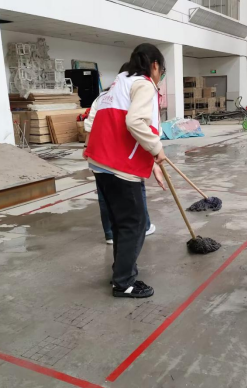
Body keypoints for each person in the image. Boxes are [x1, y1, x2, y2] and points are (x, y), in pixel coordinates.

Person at [84, 44, 167, 299]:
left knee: (122, 223)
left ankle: (121, 272)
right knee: (135, 223)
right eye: (161, 72)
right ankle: (124, 283)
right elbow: (134, 122)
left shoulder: (118, 83)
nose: (159, 77)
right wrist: (156, 148)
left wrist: (152, 161)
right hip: (120, 166)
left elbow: (105, 123)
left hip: (101, 162)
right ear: (155, 65)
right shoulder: (143, 84)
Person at [84, 63, 166, 245]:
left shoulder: (103, 97)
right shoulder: (139, 92)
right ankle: (143, 227)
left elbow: (90, 124)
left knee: (105, 196)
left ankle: (111, 233)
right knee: (135, 192)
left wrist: (87, 147)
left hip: (99, 156)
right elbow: (142, 128)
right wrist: (154, 153)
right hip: (123, 158)